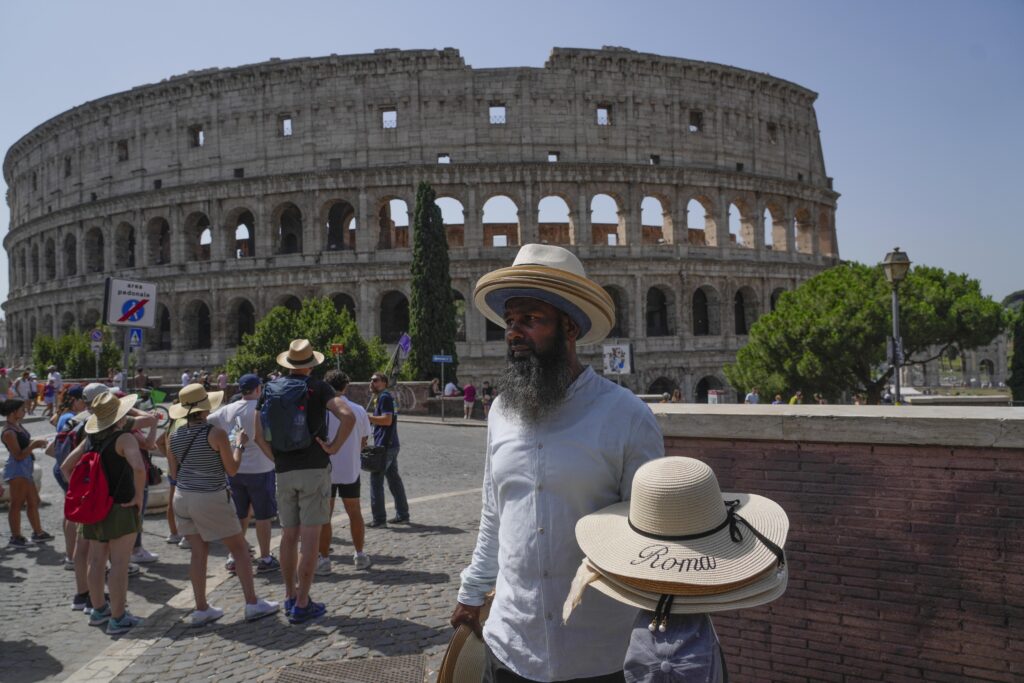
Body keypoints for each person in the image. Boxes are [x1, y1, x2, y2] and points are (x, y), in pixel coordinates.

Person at [450, 243, 664, 681]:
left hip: (598, 651)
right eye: (510, 321)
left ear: (569, 327)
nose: (513, 332)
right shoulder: (500, 413)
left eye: (530, 320)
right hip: (511, 644)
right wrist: (472, 590)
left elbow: (651, 535)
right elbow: (495, 512)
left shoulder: (625, 416)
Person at [253, 339, 355, 624]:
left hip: (283, 469)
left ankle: (288, 594)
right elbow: (347, 416)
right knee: (310, 538)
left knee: (288, 536)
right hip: (314, 467)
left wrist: (275, 457)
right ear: (311, 364)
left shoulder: (271, 389)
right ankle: (302, 603)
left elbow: (257, 433)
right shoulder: (320, 388)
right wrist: (333, 447)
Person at [167, 384, 279, 626]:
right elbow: (232, 469)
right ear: (204, 408)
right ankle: (252, 603)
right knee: (239, 548)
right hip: (209, 495)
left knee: (198, 552)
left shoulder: (174, 435)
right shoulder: (215, 433)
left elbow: (174, 472)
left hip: (182, 496)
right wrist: (238, 444)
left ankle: (201, 608)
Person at [59, 392, 150, 635]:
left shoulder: (90, 439)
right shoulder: (124, 438)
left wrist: (82, 494)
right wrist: (138, 497)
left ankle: (99, 610)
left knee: (97, 560)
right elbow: (139, 468)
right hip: (120, 507)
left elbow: (65, 466)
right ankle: (118, 618)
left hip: (95, 509)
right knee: (120, 562)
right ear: (120, 415)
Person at [207, 374, 280, 575]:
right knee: (264, 516)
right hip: (261, 468)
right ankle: (265, 557)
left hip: (235, 468)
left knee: (240, 514)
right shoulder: (263, 408)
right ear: (258, 389)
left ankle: (234, 556)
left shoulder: (228, 410)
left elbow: (207, 423)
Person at [317, 370, 373, 574]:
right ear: (345, 387)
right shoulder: (358, 410)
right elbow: (364, 440)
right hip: (350, 468)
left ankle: (323, 559)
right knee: (354, 513)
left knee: (325, 516)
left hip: (326, 469)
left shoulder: (321, 410)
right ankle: (359, 554)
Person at [3, 398, 53, 547]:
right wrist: (34, 445)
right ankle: (16, 536)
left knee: (34, 501)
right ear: (14, 412)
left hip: (25, 467)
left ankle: (38, 533)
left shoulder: (17, 426)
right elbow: (18, 455)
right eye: (22, 410)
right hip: (18, 469)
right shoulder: (8, 432)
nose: (25, 411)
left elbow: (25, 445)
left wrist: (36, 442)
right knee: (16, 504)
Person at [367, 372, 410, 528]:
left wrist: (368, 418)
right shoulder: (384, 397)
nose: (372, 383)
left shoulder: (384, 397)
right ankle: (403, 515)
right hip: (391, 444)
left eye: (375, 381)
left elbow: (387, 420)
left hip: (385, 445)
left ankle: (379, 519)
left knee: (376, 481)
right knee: (394, 480)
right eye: (371, 381)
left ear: (384, 382)